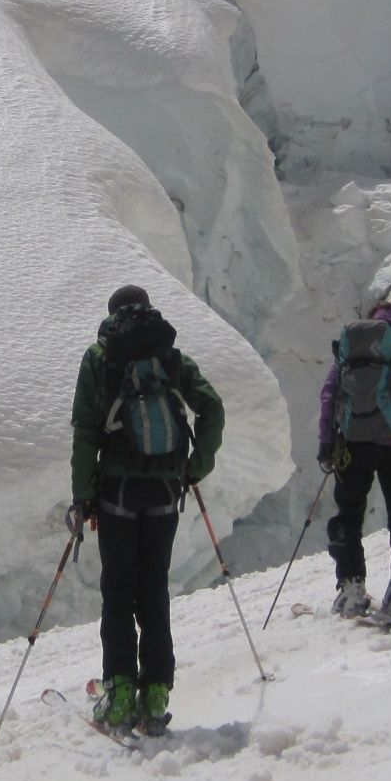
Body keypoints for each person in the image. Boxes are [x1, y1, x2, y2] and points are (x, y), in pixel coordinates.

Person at [68, 285, 225, 734]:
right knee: (153, 588)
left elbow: (85, 432)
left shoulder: (100, 359)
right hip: (164, 490)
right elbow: (211, 409)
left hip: (117, 493)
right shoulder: (171, 359)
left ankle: (118, 695)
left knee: (118, 590)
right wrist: (196, 467)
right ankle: (155, 694)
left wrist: (84, 496)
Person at [316, 300, 391, 618]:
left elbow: (329, 397)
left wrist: (327, 442)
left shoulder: (345, 359)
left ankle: (352, 588)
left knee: (349, 515)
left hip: (353, 448)